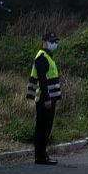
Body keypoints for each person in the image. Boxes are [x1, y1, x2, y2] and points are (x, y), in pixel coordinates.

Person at [26, 32, 62, 165]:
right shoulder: (42, 57)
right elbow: (42, 80)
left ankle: (42, 154)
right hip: (44, 98)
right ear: (45, 42)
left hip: (49, 98)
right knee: (43, 127)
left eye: (56, 42)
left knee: (46, 127)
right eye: (52, 42)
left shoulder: (48, 57)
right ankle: (40, 156)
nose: (55, 44)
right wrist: (47, 98)